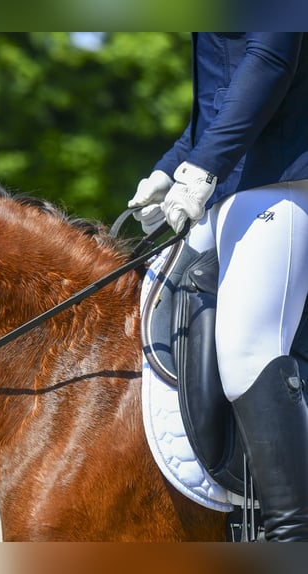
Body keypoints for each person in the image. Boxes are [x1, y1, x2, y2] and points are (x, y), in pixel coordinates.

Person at [128, 33, 308, 541]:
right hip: (234, 181)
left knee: (248, 349)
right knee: (155, 304)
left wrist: (206, 164)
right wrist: (171, 168)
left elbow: (271, 60)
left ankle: (292, 538)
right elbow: (225, 94)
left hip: (287, 175)